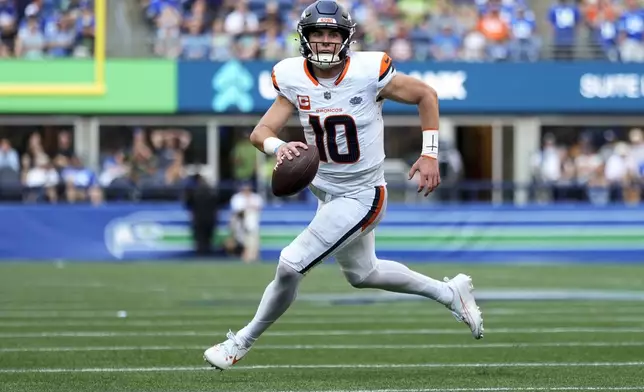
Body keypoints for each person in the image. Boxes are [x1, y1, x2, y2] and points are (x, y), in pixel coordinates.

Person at [203, 0, 484, 370]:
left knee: (290, 264)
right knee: (364, 274)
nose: (323, 40)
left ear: (346, 37)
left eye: (331, 33)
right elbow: (261, 132)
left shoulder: (369, 70)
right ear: (304, 38)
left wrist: (429, 152)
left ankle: (240, 342)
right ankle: (449, 293)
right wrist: (279, 146)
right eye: (317, 33)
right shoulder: (291, 76)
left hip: (363, 194)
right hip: (326, 191)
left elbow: (425, 95)